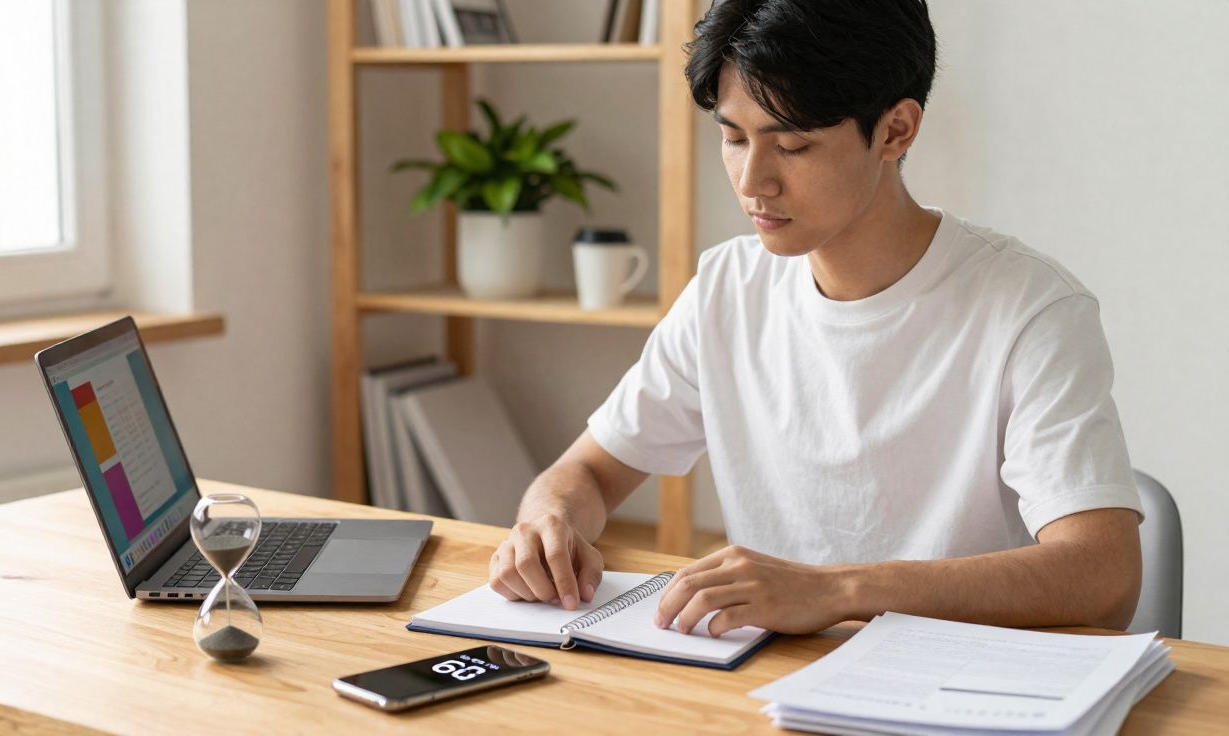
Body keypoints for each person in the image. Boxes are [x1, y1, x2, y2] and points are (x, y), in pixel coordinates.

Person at [487, 0, 1144, 638]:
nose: (752, 182)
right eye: (733, 137)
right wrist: (549, 520)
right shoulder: (728, 287)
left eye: (793, 146)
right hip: (769, 678)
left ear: (896, 130)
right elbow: (592, 473)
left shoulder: (1030, 309)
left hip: (951, 685)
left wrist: (836, 592)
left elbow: (1104, 578)